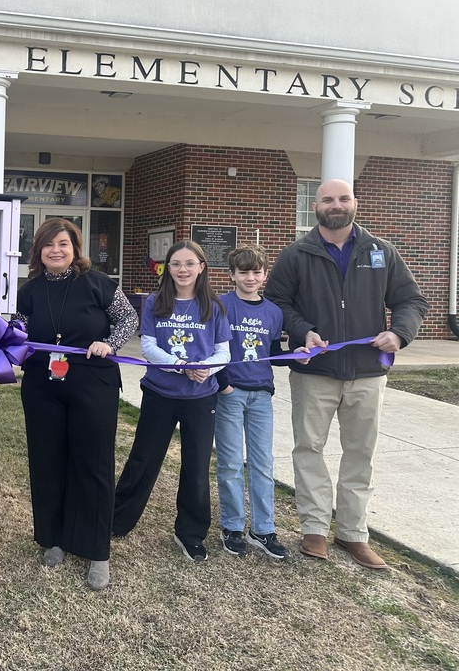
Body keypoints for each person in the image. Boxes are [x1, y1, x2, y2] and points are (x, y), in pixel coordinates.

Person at [264, 178, 428, 568]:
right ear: (315, 206)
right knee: (309, 449)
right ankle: (315, 529)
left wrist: (400, 332)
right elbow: (275, 303)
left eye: (343, 198)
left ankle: (353, 534)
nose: (335, 205)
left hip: (367, 373)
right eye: (327, 200)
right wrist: (303, 331)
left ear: (355, 203)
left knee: (360, 453)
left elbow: (411, 300)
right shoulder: (296, 254)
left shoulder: (381, 252)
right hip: (314, 371)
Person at [15, 219, 138, 590]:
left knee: (93, 463)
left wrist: (110, 343)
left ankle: (96, 549)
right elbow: (18, 329)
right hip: (42, 385)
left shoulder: (99, 283)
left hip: (92, 383)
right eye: (49, 245)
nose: (56, 250)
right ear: (38, 251)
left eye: (64, 244)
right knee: (48, 460)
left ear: (75, 248)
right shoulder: (29, 290)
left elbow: (128, 317)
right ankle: (53, 537)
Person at [111, 240, 231, 563]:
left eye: (190, 263)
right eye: (176, 264)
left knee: (196, 467)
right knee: (143, 460)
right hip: (160, 394)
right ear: (168, 268)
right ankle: (116, 520)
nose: (183, 270)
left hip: (200, 398)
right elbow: (148, 346)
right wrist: (182, 366)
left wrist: (207, 368)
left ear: (201, 267)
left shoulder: (215, 306)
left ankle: (190, 533)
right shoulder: (155, 302)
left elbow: (224, 352)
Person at [214, 244, 290, 560]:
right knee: (230, 462)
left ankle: (263, 529)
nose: (250, 277)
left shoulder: (273, 312)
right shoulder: (220, 305)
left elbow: (272, 355)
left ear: (264, 275)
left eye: (256, 272)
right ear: (231, 274)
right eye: (243, 272)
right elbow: (210, 349)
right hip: (231, 393)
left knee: (262, 463)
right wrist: (224, 386)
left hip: (262, 396)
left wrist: (299, 357)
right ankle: (232, 526)